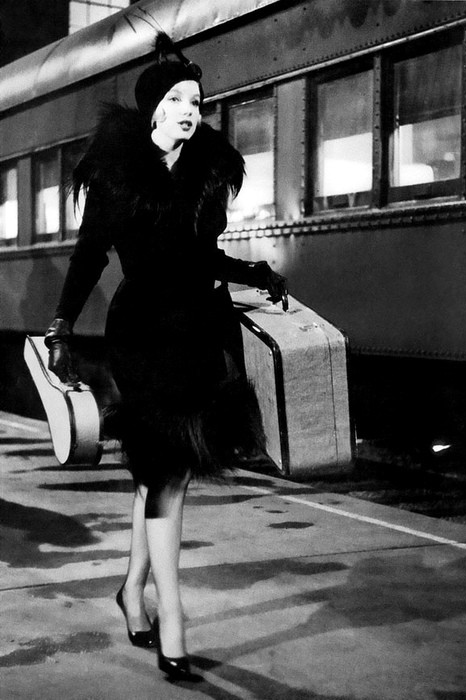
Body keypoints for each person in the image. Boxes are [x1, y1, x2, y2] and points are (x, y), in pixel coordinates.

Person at [45, 32, 287, 682]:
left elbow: (201, 257)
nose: (189, 110)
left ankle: (132, 590)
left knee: (158, 471)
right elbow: (89, 256)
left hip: (197, 332)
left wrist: (254, 273)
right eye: (177, 99)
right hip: (142, 334)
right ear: (152, 107)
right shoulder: (117, 172)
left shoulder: (207, 172)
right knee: (170, 470)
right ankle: (173, 617)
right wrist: (63, 321)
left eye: (196, 102)